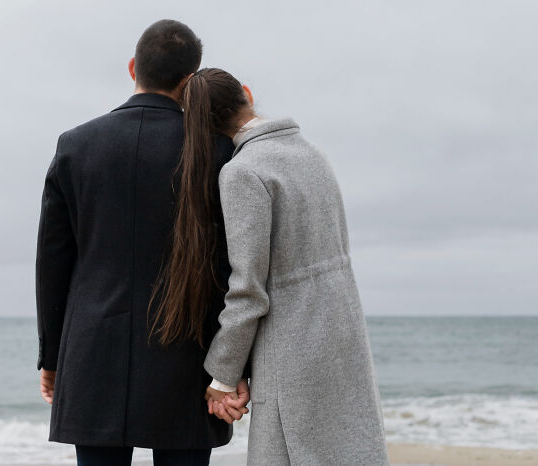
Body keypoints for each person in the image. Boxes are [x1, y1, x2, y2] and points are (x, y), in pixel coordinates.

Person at [35, 22, 249, 466]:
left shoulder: (75, 146)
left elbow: (53, 263)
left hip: (94, 355)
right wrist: (236, 367)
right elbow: (235, 266)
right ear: (190, 82)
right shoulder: (218, 151)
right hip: (188, 358)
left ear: (133, 67)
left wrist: (52, 357)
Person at [179, 68, 390, 465]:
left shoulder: (242, 172)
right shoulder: (311, 152)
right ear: (247, 92)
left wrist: (222, 375)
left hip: (291, 350)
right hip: (343, 337)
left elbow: (248, 289)